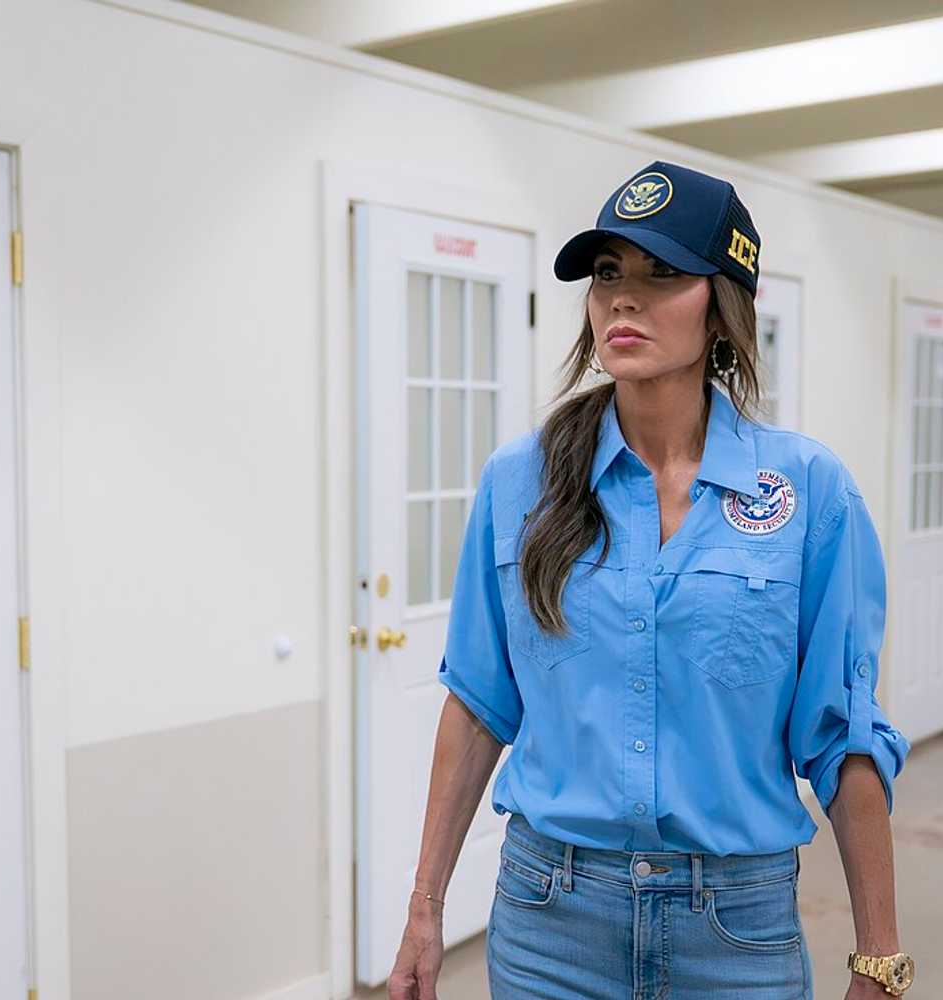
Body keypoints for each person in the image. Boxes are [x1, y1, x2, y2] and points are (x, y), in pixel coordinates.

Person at [386, 161, 916, 1000]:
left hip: (735, 930)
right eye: (607, 275)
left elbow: (842, 735)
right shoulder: (520, 482)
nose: (622, 299)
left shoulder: (809, 492)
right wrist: (424, 908)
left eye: (660, 273)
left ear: (723, 305)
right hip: (548, 920)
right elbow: (480, 704)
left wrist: (879, 959)